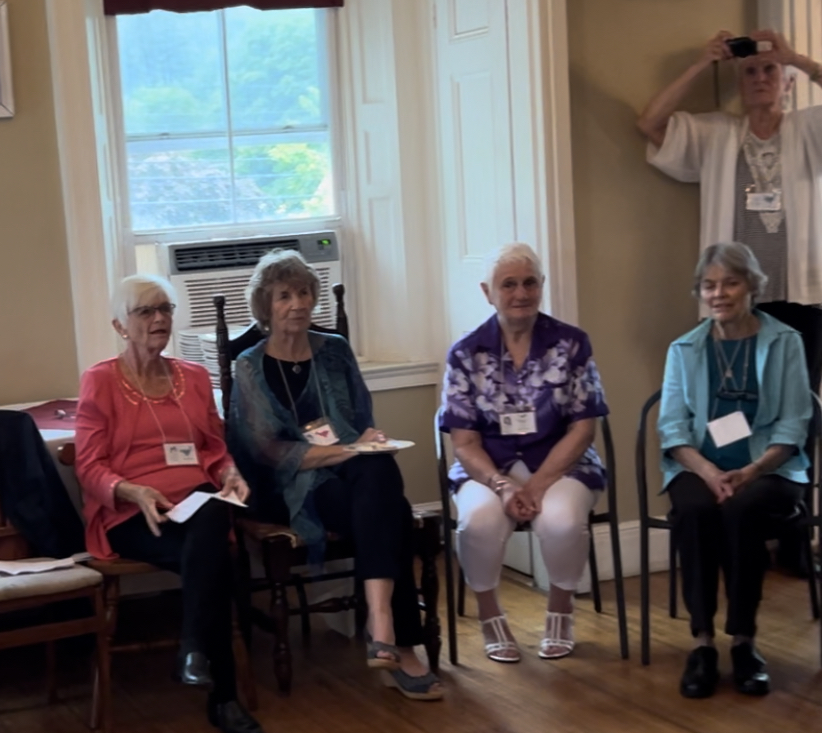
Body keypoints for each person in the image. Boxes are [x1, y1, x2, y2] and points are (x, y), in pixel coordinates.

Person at [227, 250, 443, 702]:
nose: (298, 303)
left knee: (379, 474)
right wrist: (345, 451)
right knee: (394, 511)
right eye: (284, 295)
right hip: (291, 489)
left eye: (304, 292)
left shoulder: (336, 350)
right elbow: (265, 451)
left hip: (353, 475)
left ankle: (380, 624)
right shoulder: (249, 365)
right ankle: (399, 641)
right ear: (266, 305)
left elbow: (362, 418)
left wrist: (367, 440)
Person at [75, 274, 264, 733]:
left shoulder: (194, 377)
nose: (159, 318)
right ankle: (222, 698)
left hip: (195, 508)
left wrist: (231, 474)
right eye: (146, 311)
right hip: (133, 514)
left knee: (212, 511)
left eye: (165, 309)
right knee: (215, 559)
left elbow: (214, 449)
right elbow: (88, 464)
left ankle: (194, 649)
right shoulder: (100, 380)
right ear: (121, 326)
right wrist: (132, 490)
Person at [439, 242, 609, 663]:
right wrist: (501, 485)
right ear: (488, 292)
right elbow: (464, 442)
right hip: (487, 467)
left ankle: (561, 611)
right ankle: (490, 615)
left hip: (562, 464)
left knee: (562, 520)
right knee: (478, 522)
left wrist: (536, 486)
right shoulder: (465, 353)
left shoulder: (571, 343)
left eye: (530, 283)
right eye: (508, 284)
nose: (520, 293)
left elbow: (583, 429)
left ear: (542, 286)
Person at [658, 242, 811, 699]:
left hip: (771, 467)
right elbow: (672, 428)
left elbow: (794, 423)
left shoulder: (785, 341)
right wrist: (708, 472)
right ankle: (702, 644)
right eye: (709, 285)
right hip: (699, 464)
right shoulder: (684, 348)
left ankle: (744, 641)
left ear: (752, 287)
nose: (718, 294)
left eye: (730, 283)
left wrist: (753, 469)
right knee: (694, 510)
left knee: (743, 509)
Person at [637, 29, 822, 391]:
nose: (760, 78)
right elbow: (650, 122)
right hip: (734, 300)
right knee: (737, 403)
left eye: (770, 69)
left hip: (800, 295)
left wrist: (796, 60)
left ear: (787, 83)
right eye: (750, 72)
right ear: (740, 84)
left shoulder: (808, 130)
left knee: (798, 408)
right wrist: (701, 63)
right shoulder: (717, 134)